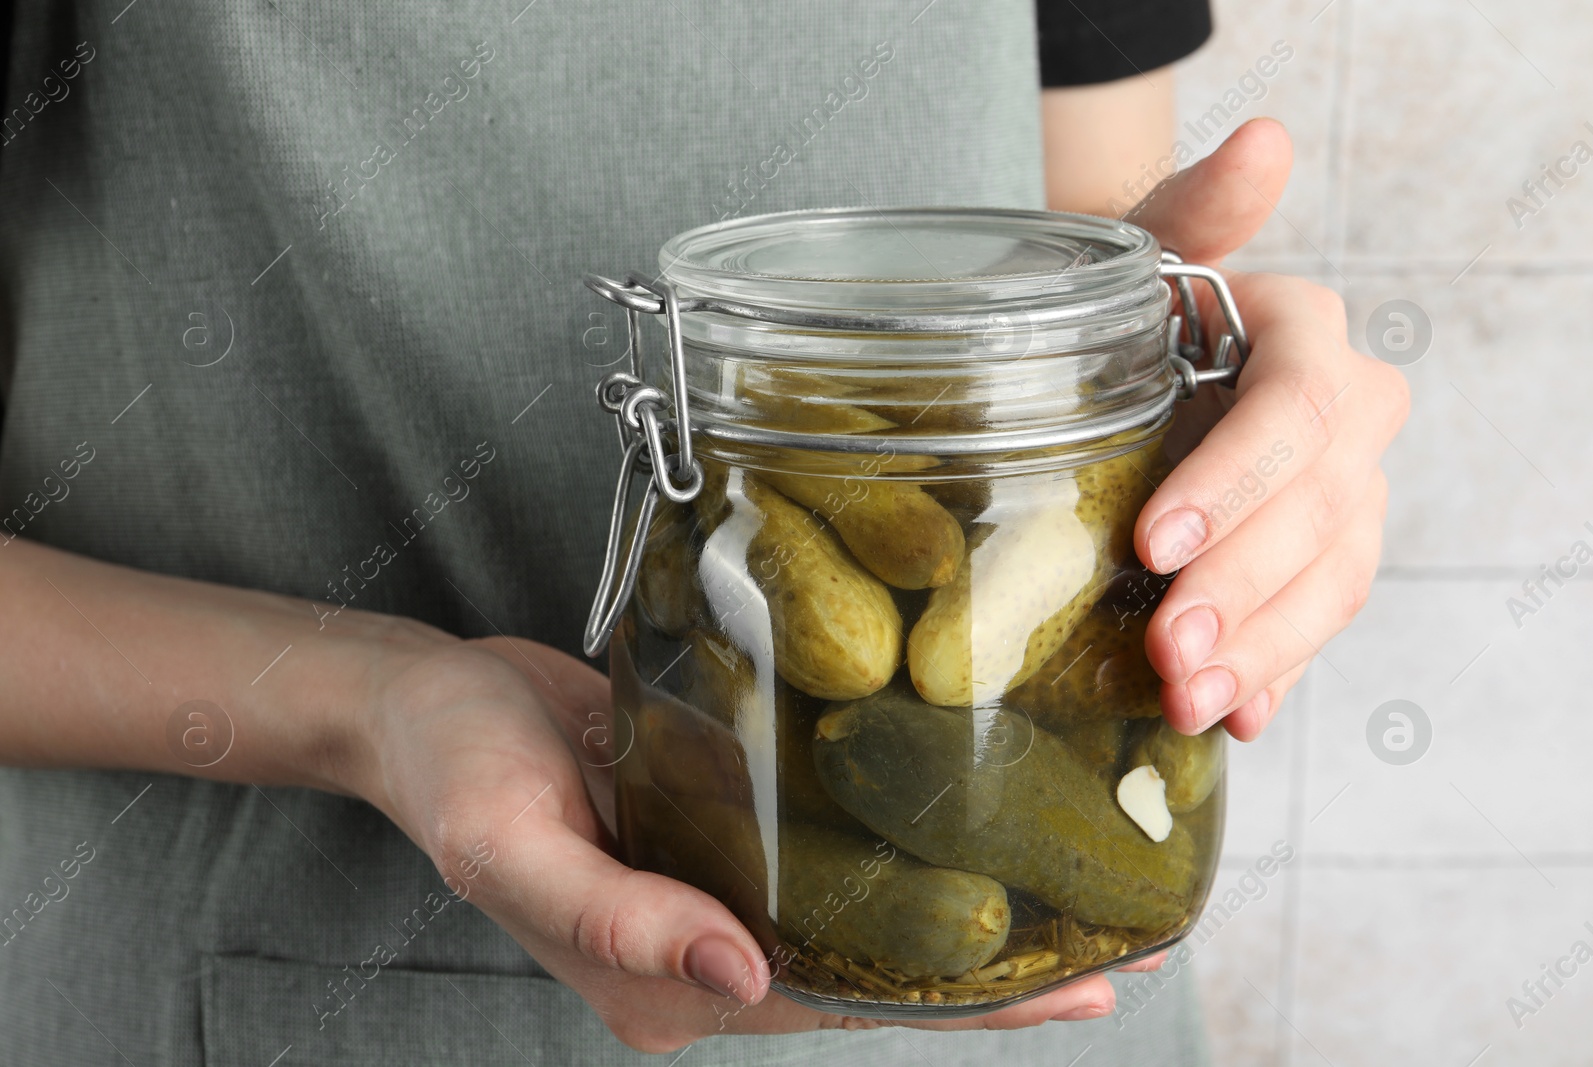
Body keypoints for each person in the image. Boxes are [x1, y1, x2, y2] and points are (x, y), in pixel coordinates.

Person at [0, 0, 1406, 1062]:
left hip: (1053, 986)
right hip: (293, 980)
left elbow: (1092, 247)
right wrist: (369, 702)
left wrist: (1219, 418)